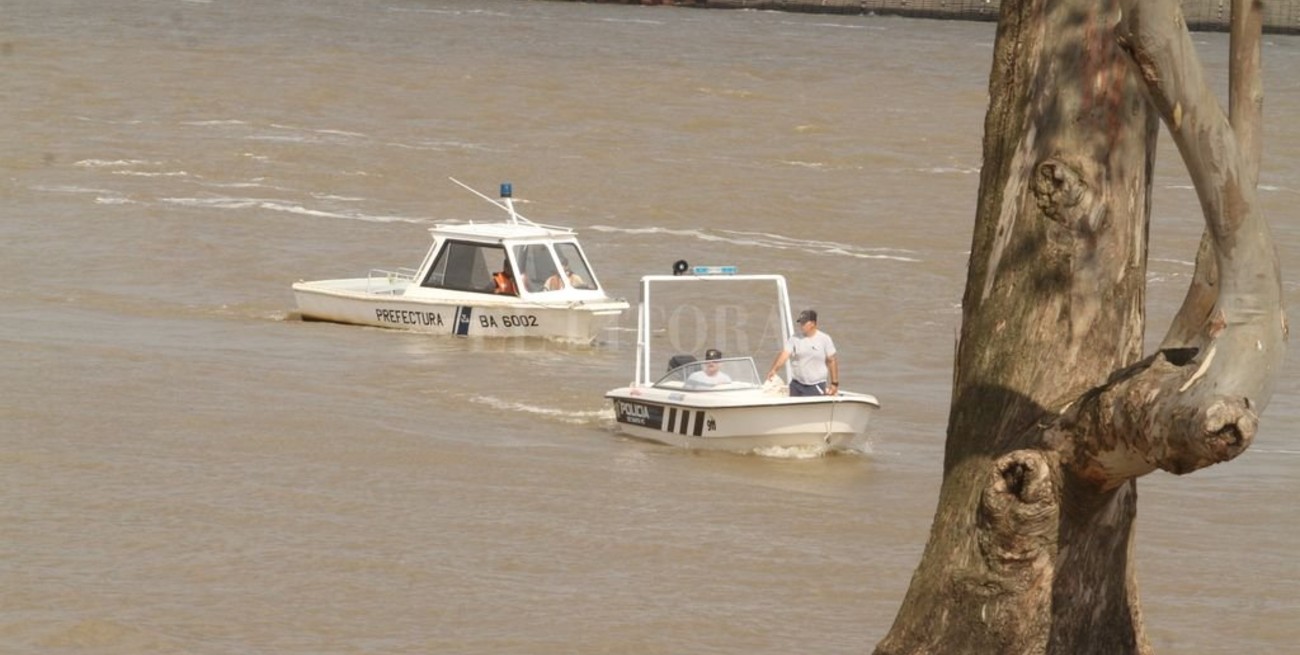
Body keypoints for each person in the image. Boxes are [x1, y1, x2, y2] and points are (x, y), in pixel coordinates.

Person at [766, 309, 839, 396]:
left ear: (812, 323)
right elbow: (784, 354)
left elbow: (832, 361)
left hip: (815, 385)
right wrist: (774, 370)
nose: (801, 325)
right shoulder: (795, 338)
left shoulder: (824, 339)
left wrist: (834, 383)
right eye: (800, 322)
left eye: (804, 323)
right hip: (796, 384)